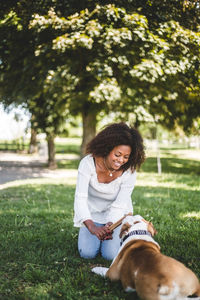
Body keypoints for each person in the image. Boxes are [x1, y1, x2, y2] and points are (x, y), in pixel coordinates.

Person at [73, 122, 145, 260]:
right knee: (87, 253)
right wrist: (92, 227)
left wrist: (110, 225)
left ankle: (124, 233)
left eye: (125, 157)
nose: (120, 160)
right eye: (117, 154)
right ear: (107, 148)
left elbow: (119, 204)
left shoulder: (129, 171)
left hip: (117, 216)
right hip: (92, 214)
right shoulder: (87, 163)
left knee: (110, 255)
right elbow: (80, 198)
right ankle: (93, 237)